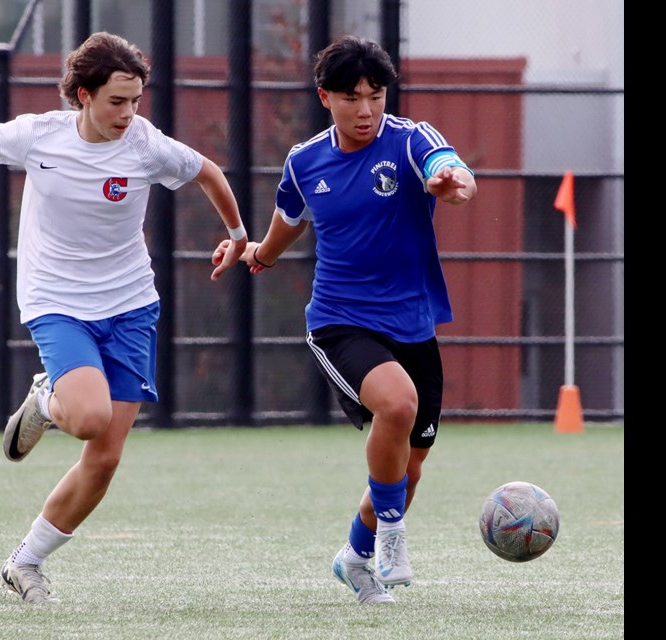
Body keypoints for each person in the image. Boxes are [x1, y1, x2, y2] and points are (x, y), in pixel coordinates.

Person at [0, 31, 247, 604]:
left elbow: (208, 170)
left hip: (132, 304)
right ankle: (45, 398)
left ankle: (25, 562)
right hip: (57, 302)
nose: (128, 113)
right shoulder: (40, 136)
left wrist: (236, 236)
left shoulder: (146, 144)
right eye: (117, 101)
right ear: (83, 95)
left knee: (106, 456)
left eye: (136, 101)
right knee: (87, 417)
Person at [213, 35, 477, 605]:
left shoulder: (410, 141)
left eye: (376, 96)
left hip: (413, 322)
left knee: (410, 468)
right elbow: (289, 220)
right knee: (397, 404)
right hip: (339, 319)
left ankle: (355, 558)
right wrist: (258, 253)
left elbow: (450, 168)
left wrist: (454, 185)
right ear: (325, 97)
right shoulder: (305, 160)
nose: (366, 110)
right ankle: (393, 536)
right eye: (352, 97)